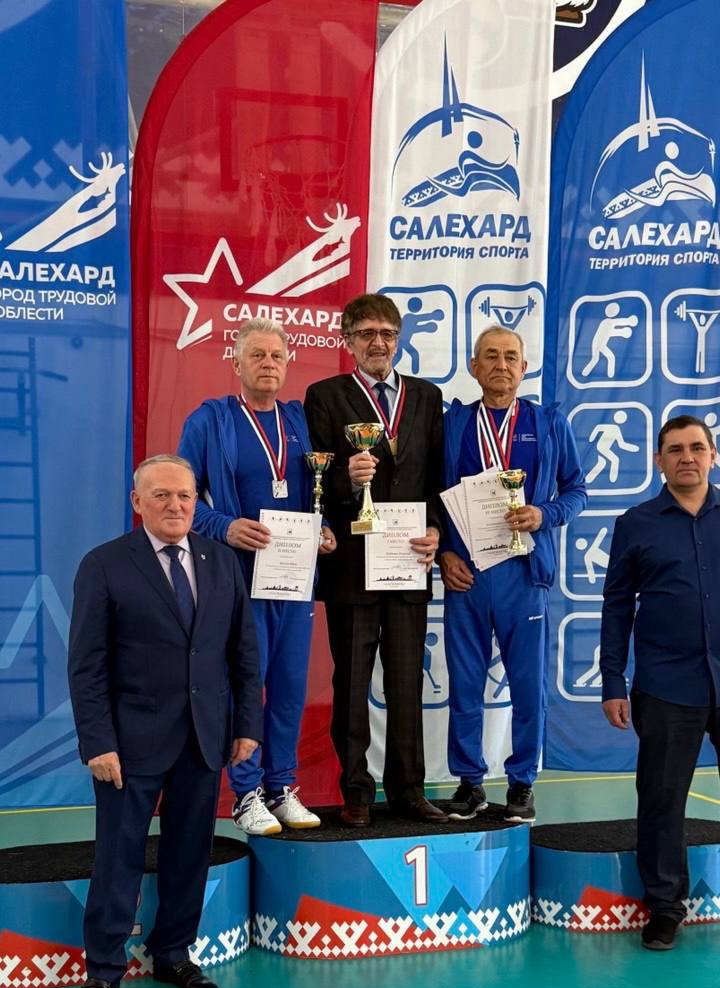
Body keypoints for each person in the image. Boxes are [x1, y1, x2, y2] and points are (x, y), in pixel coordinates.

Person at [67, 456, 263, 988]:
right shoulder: (104, 564)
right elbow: (86, 665)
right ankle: (103, 972)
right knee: (117, 856)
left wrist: (247, 725)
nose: (175, 505)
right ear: (137, 503)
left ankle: (173, 954)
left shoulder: (221, 560)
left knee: (189, 854)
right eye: (161, 496)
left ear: (196, 501)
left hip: (204, 737)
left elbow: (243, 652)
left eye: (184, 495)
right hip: (127, 744)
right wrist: (97, 742)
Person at [178, 320, 336, 836]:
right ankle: (245, 792)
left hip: (293, 578)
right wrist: (224, 526)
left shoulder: (298, 421)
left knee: (289, 687)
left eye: (276, 355)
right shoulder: (210, 420)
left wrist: (323, 530)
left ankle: (281, 786)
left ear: (288, 364)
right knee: (246, 686)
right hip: (238, 581)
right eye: (257, 355)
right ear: (237, 363)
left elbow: (313, 494)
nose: (268, 363)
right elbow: (182, 500)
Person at [304, 292, 446, 827]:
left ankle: (409, 790)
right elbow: (314, 478)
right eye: (366, 334)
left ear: (399, 338)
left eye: (386, 333)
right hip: (352, 565)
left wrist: (435, 530)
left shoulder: (427, 396)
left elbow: (436, 477)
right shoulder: (325, 396)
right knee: (352, 684)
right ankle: (357, 792)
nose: (378, 343)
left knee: (407, 683)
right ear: (348, 341)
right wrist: (346, 478)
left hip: (408, 561)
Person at [440, 325, 587, 823]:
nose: (500, 365)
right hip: (467, 574)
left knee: (527, 686)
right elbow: (432, 494)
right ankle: (469, 783)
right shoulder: (454, 425)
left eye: (510, 357)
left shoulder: (548, 423)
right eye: (490, 356)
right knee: (464, 683)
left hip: (524, 573)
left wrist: (544, 514)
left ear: (524, 368)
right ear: (473, 366)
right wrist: (444, 554)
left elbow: (577, 491)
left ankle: (522, 782)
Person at [600, 415, 720, 950]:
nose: (686, 457)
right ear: (658, 461)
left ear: (713, 455)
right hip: (667, 683)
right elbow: (617, 604)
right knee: (662, 800)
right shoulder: (636, 523)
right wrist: (612, 679)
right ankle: (666, 908)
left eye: (697, 447)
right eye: (675, 449)